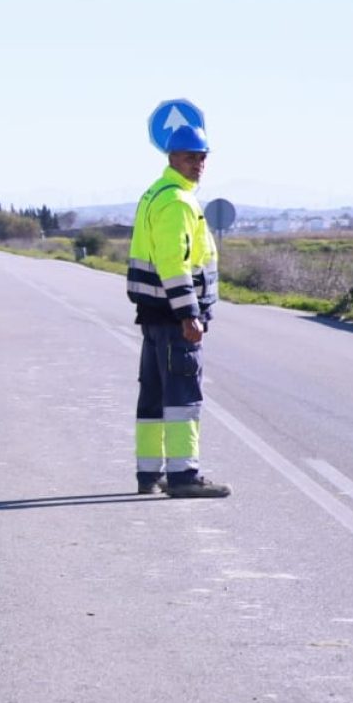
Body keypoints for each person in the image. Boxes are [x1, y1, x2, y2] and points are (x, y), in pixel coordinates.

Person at [126, 122, 229, 498]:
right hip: (174, 318)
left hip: (154, 315)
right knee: (182, 396)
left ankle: (148, 475)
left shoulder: (156, 194)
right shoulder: (177, 201)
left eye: (202, 158)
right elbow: (174, 263)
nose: (198, 164)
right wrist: (190, 314)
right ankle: (184, 476)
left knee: (152, 397)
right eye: (191, 157)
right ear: (172, 157)